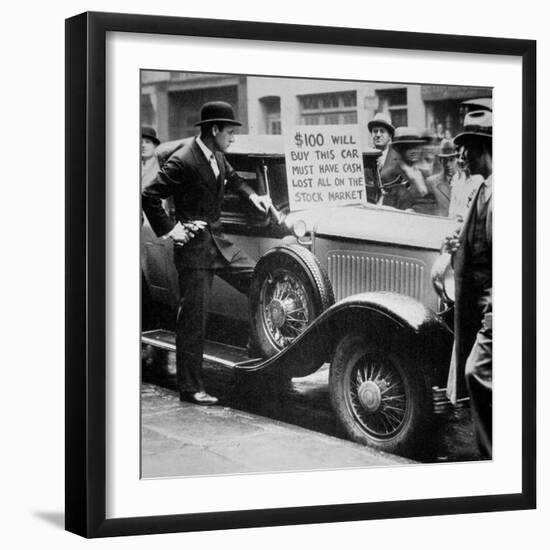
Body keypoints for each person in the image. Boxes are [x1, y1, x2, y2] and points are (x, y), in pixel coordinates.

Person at [142, 101, 271, 405]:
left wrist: (255, 197)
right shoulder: (184, 159)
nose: (233, 137)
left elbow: (235, 180)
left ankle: (256, 352)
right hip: (194, 251)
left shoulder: (217, 155)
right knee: (193, 321)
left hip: (220, 244)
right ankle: (190, 388)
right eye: (230, 131)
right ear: (214, 130)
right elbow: (149, 194)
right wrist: (172, 229)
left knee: (260, 282)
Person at [444, 110, 493, 458]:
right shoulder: (484, 188)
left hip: (496, 307)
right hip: (481, 303)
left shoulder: (496, 197)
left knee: (477, 372)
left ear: (485, 149)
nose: (461, 157)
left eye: (468, 149)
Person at [380, 126, 429, 210]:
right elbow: (388, 211)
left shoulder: (424, 173)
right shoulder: (390, 176)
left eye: (416, 146)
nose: (414, 151)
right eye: (408, 147)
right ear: (400, 149)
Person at [423, 139, 460, 217]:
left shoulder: (467, 182)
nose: (448, 164)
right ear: (440, 160)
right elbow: (429, 213)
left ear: (458, 160)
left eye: (451, 160)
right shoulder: (431, 183)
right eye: (445, 160)